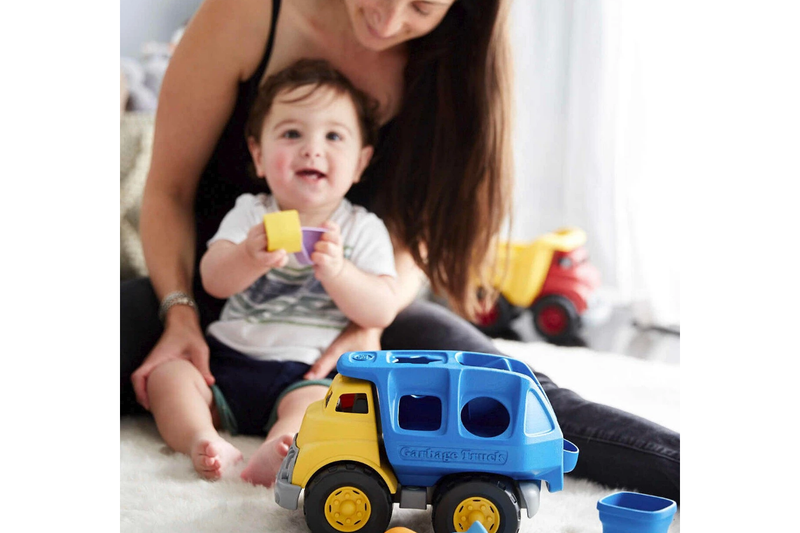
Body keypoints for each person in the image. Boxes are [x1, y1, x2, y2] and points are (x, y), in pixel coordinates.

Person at [121, 0, 680, 501]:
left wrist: (371, 321)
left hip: (362, 300)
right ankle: (202, 430)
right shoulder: (250, 14)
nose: (388, 22)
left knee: (505, 391)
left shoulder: (451, 60)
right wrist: (180, 312)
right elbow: (168, 192)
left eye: (422, 5)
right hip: (207, 292)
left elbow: (424, 236)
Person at [145, 59, 398, 481]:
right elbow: (212, 280)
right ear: (259, 156)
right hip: (227, 362)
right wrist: (247, 255)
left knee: (322, 409)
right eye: (291, 133)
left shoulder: (363, 228)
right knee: (167, 377)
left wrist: (338, 272)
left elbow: (381, 310)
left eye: (334, 136)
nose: (312, 148)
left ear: (360, 163)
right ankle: (202, 439)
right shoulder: (251, 214)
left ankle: (277, 449)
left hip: (305, 371)